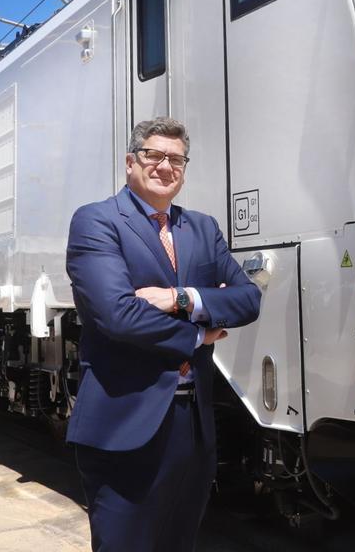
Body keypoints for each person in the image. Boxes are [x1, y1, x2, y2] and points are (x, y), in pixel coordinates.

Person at [65, 117, 262, 552]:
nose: (165, 166)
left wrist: (181, 298)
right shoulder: (97, 222)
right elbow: (117, 314)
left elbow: (249, 300)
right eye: (154, 155)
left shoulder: (202, 228)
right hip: (125, 427)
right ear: (131, 162)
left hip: (192, 427)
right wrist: (197, 336)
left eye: (176, 159)